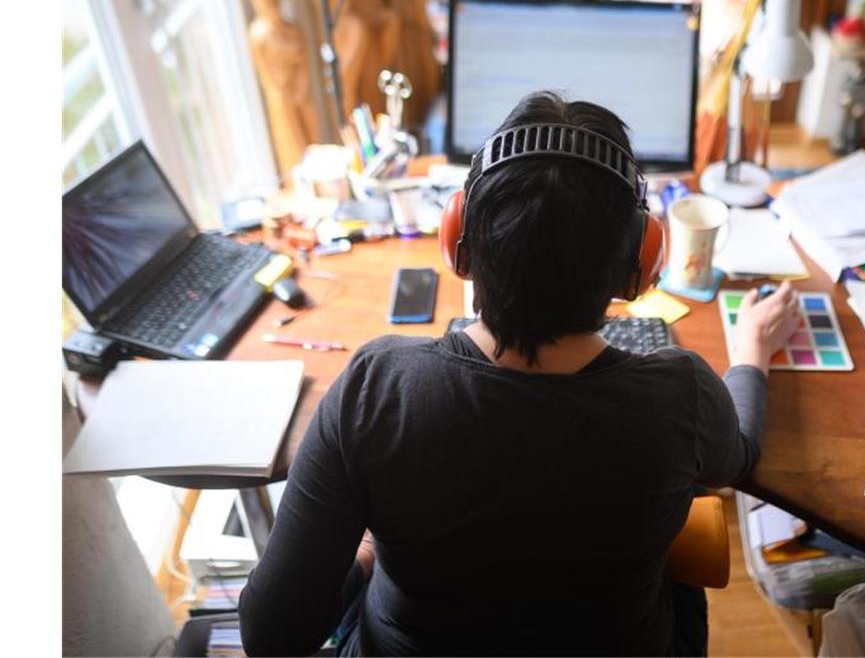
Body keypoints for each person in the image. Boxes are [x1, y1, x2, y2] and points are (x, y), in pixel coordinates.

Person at [238, 92, 800, 656]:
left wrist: (363, 557)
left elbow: (272, 635)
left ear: (459, 239)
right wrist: (751, 351)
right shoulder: (681, 395)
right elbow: (740, 455)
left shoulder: (376, 388)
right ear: (639, 264)